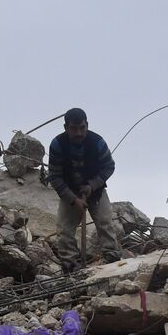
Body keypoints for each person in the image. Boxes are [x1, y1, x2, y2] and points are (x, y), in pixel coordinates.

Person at [47, 108, 123, 267]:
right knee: (64, 231)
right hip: (70, 192)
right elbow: (54, 176)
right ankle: (70, 266)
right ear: (66, 128)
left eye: (82, 128)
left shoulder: (98, 143)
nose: (79, 133)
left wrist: (93, 186)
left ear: (87, 125)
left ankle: (112, 260)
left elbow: (109, 166)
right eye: (73, 128)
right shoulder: (57, 145)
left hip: (96, 191)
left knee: (105, 224)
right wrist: (74, 200)